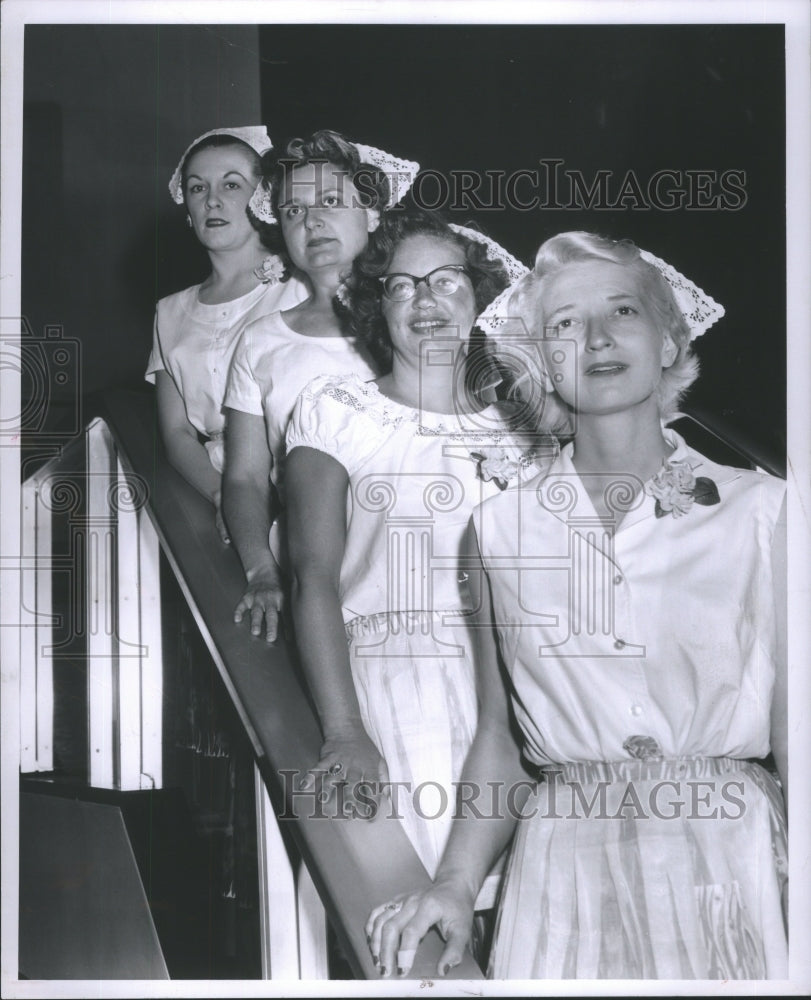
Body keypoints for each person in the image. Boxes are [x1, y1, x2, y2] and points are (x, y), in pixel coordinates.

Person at [367, 231, 788, 980]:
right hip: (562, 868)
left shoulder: (764, 513)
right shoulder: (498, 528)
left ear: (667, 342)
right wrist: (456, 884)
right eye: (563, 323)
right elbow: (501, 739)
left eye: (622, 311)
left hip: (733, 862)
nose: (595, 338)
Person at [283, 207, 547, 893]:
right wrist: (344, 729)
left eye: (445, 281)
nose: (424, 300)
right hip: (394, 693)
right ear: (379, 305)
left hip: (517, 700)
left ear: (480, 298)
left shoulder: (527, 433)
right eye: (400, 286)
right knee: (415, 914)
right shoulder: (335, 408)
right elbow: (311, 578)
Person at [222, 130, 419, 641]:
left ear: (371, 214)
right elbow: (244, 476)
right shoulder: (261, 340)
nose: (312, 220)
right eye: (292, 210)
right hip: (313, 570)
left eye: (331, 201)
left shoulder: (414, 318)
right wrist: (262, 570)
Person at [145, 126, 307, 542]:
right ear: (187, 207)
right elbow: (177, 434)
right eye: (197, 188)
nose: (212, 200)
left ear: (263, 197)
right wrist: (225, 499)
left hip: (302, 481)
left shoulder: (302, 286)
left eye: (231, 185)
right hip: (213, 489)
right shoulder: (170, 312)